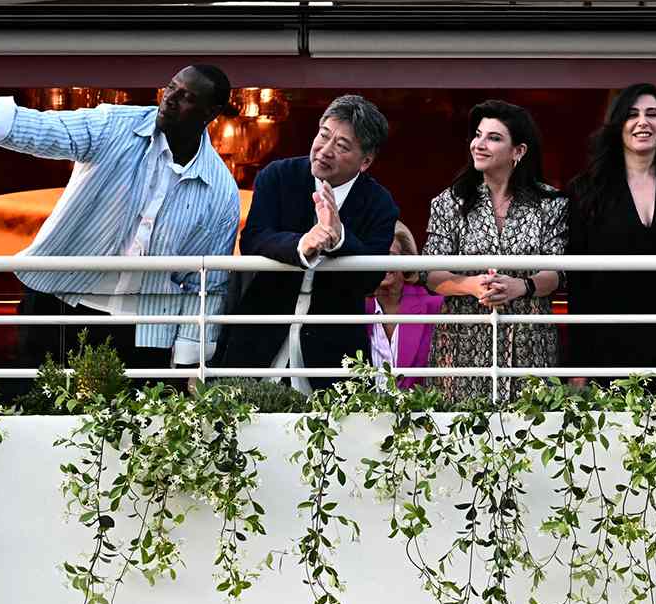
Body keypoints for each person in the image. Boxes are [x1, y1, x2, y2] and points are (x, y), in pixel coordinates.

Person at [0, 64, 240, 372]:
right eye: (171, 88)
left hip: (145, 327)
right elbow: (44, 130)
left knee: (131, 418)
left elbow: (206, 283)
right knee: (41, 408)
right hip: (60, 302)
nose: (170, 99)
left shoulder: (221, 191)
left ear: (210, 113)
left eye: (186, 97)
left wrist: (189, 362)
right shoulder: (113, 124)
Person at [218, 95, 398, 392]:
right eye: (323, 136)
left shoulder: (380, 203)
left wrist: (339, 238)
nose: (325, 151)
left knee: (335, 433)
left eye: (341, 146)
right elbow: (254, 238)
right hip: (261, 328)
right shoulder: (278, 176)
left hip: (334, 345)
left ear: (365, 161)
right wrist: (301, 244)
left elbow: (371, 278)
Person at [566, 84, 656, 378]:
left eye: (652, 114)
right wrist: (579, 361)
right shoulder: (585, 190)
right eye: (632, 114)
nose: (643, 122)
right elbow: (578, 281)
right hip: (609, 344)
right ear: (617, 124)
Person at [423, 100, 568, 402]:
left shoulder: (551, 203)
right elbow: (432, 275)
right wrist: (471, 285)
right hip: (462, 341)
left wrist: (522, 286)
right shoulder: (449, 202)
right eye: (478, 135)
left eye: (494, 137)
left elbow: (557, 272)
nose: (480, 144)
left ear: (519, 151)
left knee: (532, 434)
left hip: (530, 340)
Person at [367, 221, 443, 390]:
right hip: (367, 414)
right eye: (376, 255)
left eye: (390, 255)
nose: (382, 262)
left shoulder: (433, 306)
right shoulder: (357, 309)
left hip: (420, 412)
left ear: (406, 259)